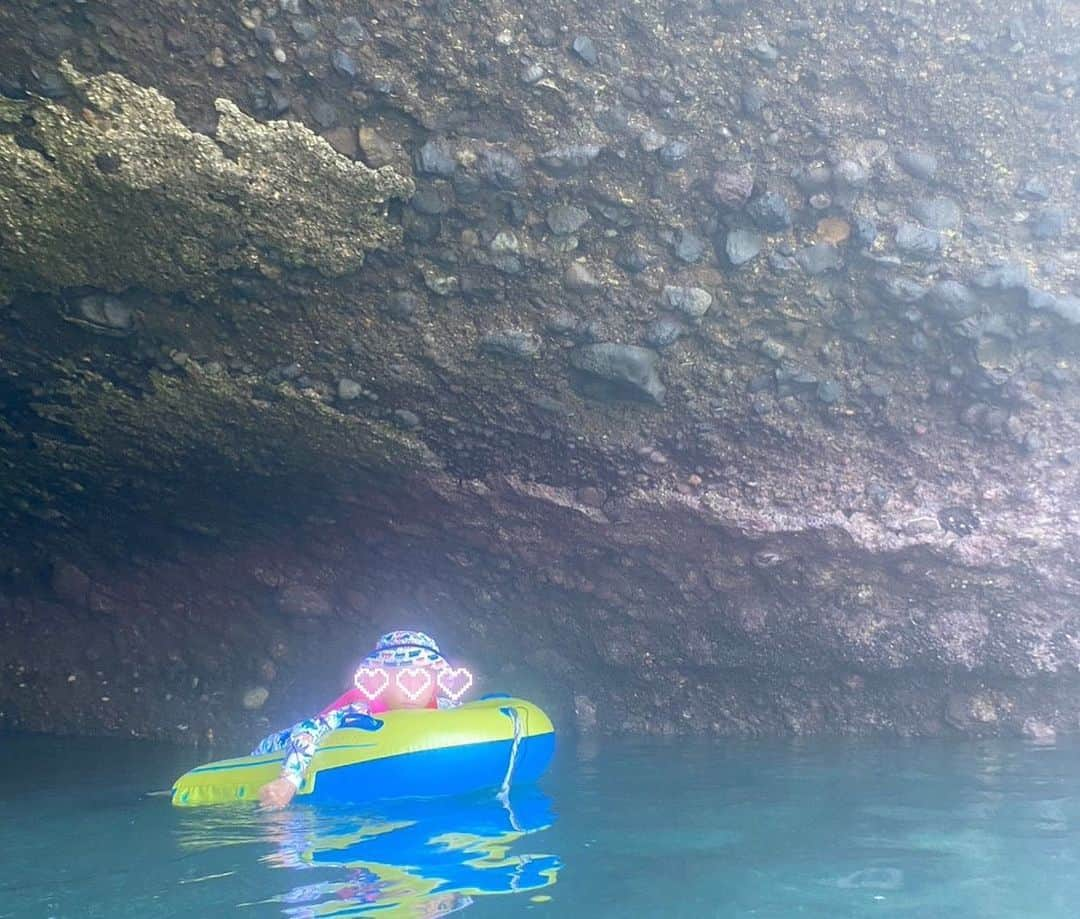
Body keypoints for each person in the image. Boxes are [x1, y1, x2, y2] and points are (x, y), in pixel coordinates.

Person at [254, 630, 471, 810]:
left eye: (422, 679)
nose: (410, 692)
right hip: (276, 747)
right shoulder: (361, 710)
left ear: (435, 682)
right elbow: (307, 729)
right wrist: (289, 780)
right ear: (381, 681)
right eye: (399, 679)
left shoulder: (444, 708)